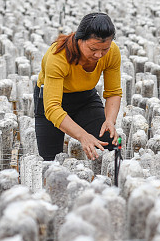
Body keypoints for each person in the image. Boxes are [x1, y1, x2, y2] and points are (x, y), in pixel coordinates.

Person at [34, 12, 121, 161]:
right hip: (53, 102)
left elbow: (113, 92)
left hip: (85, 99)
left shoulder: (112, 52)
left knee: (108, 144)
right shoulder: (57, 56)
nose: (99, 55)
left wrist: (110, 120)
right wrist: (83, 136)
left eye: (104, 49)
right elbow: (52, 107)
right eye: (93, 49)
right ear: (79, 39)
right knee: (50, 161)